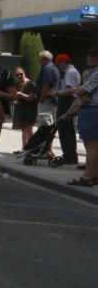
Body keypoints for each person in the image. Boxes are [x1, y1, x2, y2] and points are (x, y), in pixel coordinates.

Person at [61, 47, 98, 186]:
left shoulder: (96, 73)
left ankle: (87, 177)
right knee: (95, 145)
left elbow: (83, 90)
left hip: (92, 110)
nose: (88, 59)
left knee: (91, 145)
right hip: (93, 109)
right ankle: (94, 175)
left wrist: (71, 90)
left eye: (90, 56)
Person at [55, 54, 81, 166]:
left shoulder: (69, 73)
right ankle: (72, 156)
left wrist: (57, 93)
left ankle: (68, 155)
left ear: (63, 62)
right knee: (70, 130)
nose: (60, 68)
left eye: (60, 65)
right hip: (71, 100)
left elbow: (70, 90)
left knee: (63, 129)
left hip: (66, 101)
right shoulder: (75, 71)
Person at [34, 50, 60, 157]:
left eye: (39, 59)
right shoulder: (54, 68)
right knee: (49, 126)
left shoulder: (47, 69)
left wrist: (41, 100)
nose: (38, 61)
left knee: (45, 126)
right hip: (52, 101)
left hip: (47, 101)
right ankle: (47, 149)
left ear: (43, 59)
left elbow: (45, 85)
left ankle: (45, 150)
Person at [11, 67, 38, 149]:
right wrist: (14, 101)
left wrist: (20, 94)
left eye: (21, 74)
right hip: (20, 109)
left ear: (24, 73)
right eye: (17, 75)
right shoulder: (16, 84)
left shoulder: (31, 84)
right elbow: (13, 97)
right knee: (23, 130)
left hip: (30, 109)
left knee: (29, 129)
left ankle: (31, 147)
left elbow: (31, 98)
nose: (19, 76)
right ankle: (24, 147)